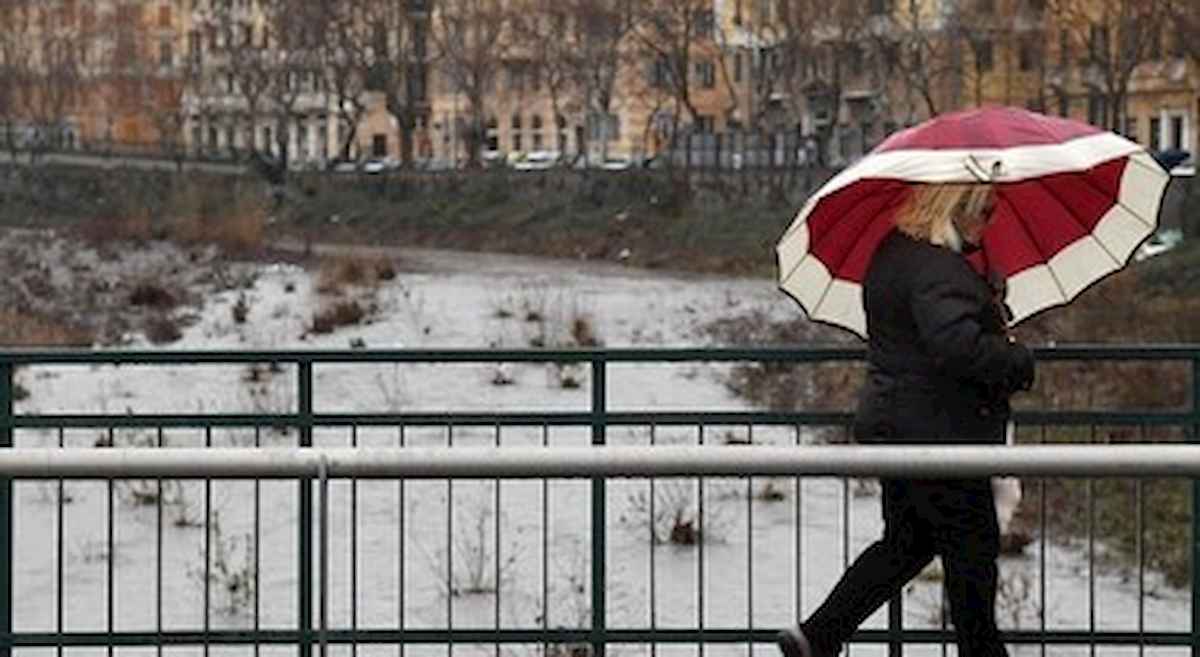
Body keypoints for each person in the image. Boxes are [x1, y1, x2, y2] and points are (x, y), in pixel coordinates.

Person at [777, 183, 1036, 657]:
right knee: (972, 555)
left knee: (907, 543)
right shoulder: (940, 269)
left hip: (898, 425)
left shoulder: (895, 255)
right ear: (955, 210)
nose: (989, 222)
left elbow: (928, 334)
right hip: (940, 436)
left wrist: (987, 297)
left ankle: (816, 635)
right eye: (985, 210)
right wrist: (1017, 361)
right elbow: (957, 347)